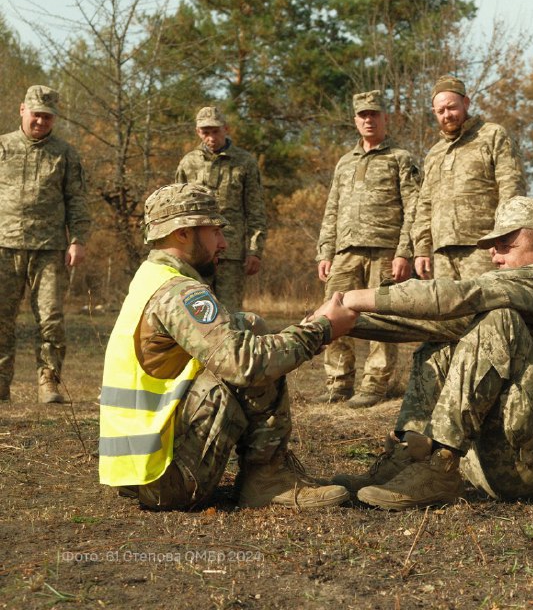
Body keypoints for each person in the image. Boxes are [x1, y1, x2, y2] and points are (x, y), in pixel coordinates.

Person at [332, 197, 533, 509]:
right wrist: (333, 325)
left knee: (497, 319)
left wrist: (350, 300)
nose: (494, 256)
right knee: (441, 329)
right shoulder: (526, 295)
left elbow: (458, 295)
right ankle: (411, 457)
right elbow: (433, 316)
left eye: (506, 244)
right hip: (501, 460)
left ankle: (441, 466)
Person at [98, 183, 355, 510]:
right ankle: (268, 479)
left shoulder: (150, 277)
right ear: (183, 234)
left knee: (245, 326)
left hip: (143, 474)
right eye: (215, 231)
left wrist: (307, 330)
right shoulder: (179, 292)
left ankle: (266, 477)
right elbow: (245, 363)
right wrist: (322, 330)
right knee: (250, 354)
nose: (224, 243)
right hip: (171, 480)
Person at [314, 90, 421, 408]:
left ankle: (375, 384)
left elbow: (414, 207)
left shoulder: (400, 158)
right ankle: (338, 382)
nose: (368, 119)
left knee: (383, 318)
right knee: (334, 315)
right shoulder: (345, 163)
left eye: (374, 114)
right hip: (346, 252)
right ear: (355, 120)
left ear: (385, 118)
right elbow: (331, 208)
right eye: (363, 115)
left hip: (385, 251)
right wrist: (325, 252)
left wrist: (405, 251)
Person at [0, 85, 91, 404]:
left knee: (51, 318)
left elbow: (77, 200)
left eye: (48, 117)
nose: (41, 121)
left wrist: (78, 240)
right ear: (22, 109)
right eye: (37, 114)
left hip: (50, 248)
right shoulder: (3, 146)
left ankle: (48, 382)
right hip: (4, 246)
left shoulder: (65, 154)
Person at [412, 75, 527, 281]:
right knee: (448, 312)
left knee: (487, 309)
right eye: (440, 111)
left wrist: (503, 237)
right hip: (442, 252)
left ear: (466, 103)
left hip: (483, 247)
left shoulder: (493, 135)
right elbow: (424, 204)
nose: (447, 115)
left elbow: (511, 187)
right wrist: (421, 249)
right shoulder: (434, 154)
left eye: (451, 107)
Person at [175, 106, 267, 313]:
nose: (211, 137)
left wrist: (255, 251)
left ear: (226, 129)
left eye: (215, 131)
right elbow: (178, 211)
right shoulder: (188, 163)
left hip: (231, 253)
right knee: (197, 312)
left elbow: (256, 210)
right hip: (196, 252)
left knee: (230, 313)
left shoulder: (244, 162)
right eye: (205, 132)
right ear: (198, 132)